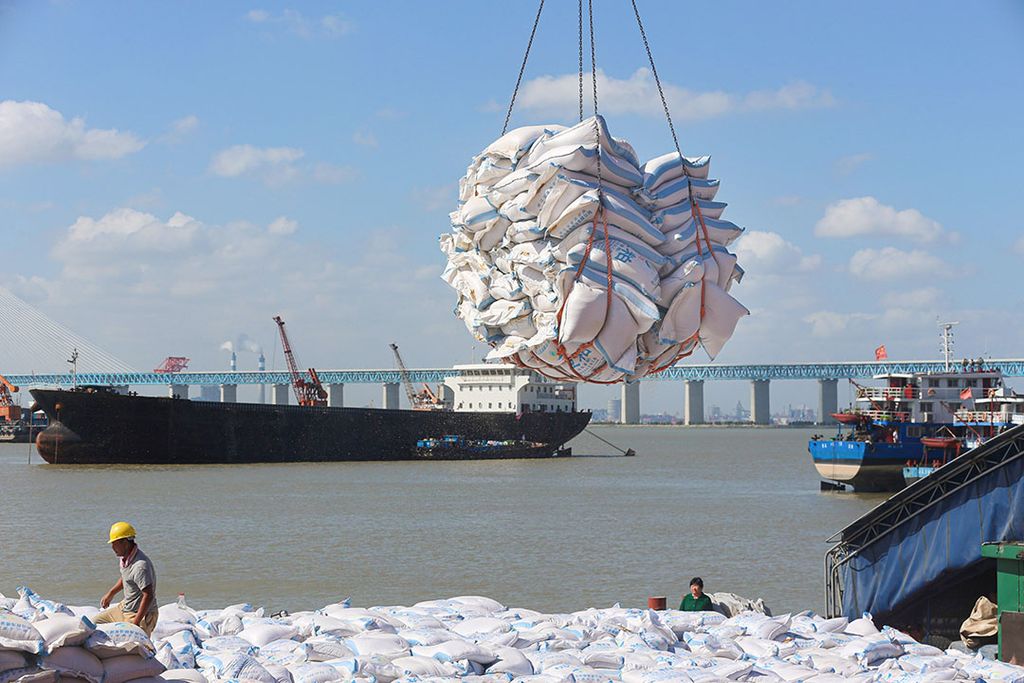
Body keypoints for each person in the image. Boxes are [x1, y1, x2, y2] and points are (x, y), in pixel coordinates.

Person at [94, 521, 159, 635]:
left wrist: (135, 623)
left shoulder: (140, 566)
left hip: (140, 614)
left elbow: (148, 595)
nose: (112, 547)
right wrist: (111, 593)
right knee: (94, 623)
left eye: (115, 543)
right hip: (125, 607)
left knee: (132, 645)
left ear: (125, 542)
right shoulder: (126, 559)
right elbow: (126, 577)